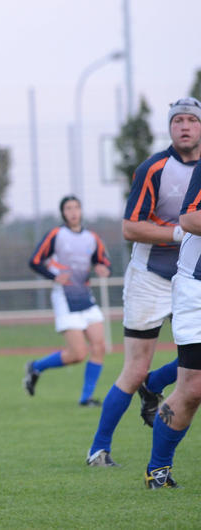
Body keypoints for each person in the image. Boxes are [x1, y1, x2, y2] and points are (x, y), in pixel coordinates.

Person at [86, 97, 201, 467]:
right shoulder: (153, 169)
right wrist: (179, 232)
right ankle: (98, 449)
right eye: (178, 120)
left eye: (192, 120)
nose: (185, 126)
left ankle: (154, 384)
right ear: (169, 127)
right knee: (135, 368)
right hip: (151, 278)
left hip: (192, 279)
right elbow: (130, 228)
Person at [144, 150, 201, 488]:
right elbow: (189, 219)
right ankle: (157, 470)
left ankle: (153, 381)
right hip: (197, 287)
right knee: (192, 388)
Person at [24, 195, 111, 406]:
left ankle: (86, 398)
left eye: (76, 207)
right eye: (68, 208)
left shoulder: (91, 238)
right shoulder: (56, 235)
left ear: (81, 211)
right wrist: (54, 277)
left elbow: (103, 261)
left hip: (86, 297)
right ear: (63, 213)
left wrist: (103, 268)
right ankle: (36, 367)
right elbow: (34, 261)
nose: (73, 212)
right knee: (78, 354)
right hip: (65, 297)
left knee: (99, 347)